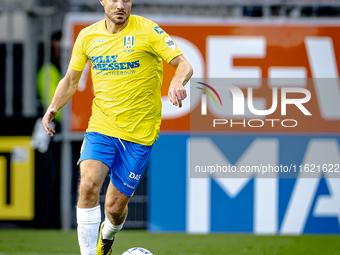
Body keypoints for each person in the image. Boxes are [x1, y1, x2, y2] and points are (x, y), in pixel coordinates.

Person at [42, 0, 193, 255]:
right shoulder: (87, 36)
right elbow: (70, 79)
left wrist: (178, 81)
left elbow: (184, 64)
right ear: (102, 1)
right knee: (88, 184)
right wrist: (52, 107)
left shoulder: (149, 31)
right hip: (102, 126)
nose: (120, 5)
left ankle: (107, 238)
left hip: (139, 134)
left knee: (113, 208)